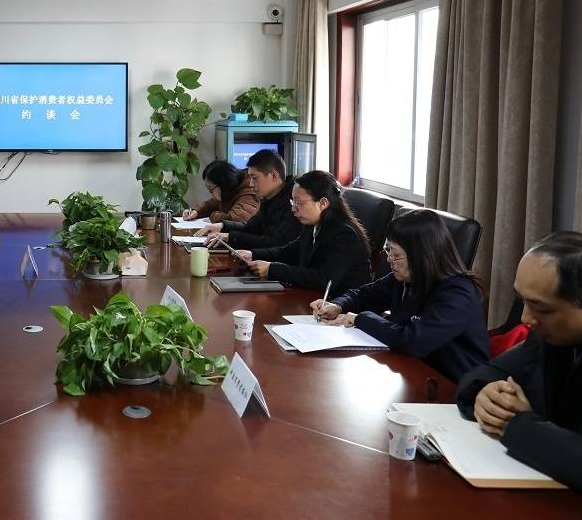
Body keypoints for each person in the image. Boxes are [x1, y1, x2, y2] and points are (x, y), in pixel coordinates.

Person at [456, 231, 582, 492]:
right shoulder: (547, 336)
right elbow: (486, 373)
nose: (525, 319)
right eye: (522, 301)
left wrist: (517, 424)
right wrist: (488, 396)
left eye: (542, 308)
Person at [312, 209, 489, 382]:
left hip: (454, 386)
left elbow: (414, 340)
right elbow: (364, 295)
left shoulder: (457, 294)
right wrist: (338, 305)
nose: (389, 259)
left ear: (421, 255)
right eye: (388, 250)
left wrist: (359, 319)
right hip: (411, 370)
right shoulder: (405, 278)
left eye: (396, 254)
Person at [231, 170, 371, 296]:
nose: (293, 209)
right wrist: (253, 254)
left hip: (342, 309)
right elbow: (289, 251)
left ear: (323, 203)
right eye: (292, 201)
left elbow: (324, 279)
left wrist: (272, 269)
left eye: (299, 202)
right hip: (313, 299)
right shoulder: (313, 224)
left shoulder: (345, 235)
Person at [195, 150, 303, 249]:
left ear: (273, 175)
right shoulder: (269, 199)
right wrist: (223, 226)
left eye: (255, 178)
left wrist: (230, 237)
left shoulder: (293, 204)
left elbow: (275, 242)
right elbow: (251, 228)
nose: (251, 184)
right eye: (250, 178)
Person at [181, 160, 260, 223]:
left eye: (210, 189)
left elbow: (235, 220)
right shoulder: (229, 190)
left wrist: (213, 216)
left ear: (223, 185)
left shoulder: (248, 192)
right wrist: (196, 211)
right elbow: (213, 203)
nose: (210, 193)